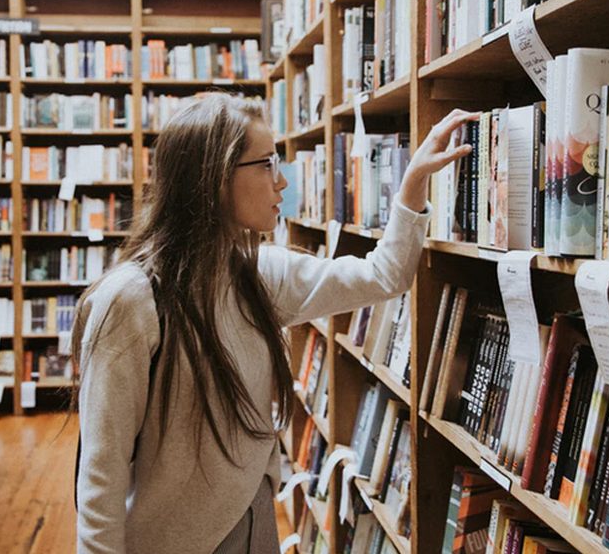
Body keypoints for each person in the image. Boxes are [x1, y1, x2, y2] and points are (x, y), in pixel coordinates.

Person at [71, 93, 476, 553]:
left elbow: (385, 274)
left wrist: (413, 184)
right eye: (266, 164)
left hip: (254, 521)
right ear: (214, 178)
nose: (282, 182)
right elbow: (100, 477)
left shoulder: (261, 274)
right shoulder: (130, 300)